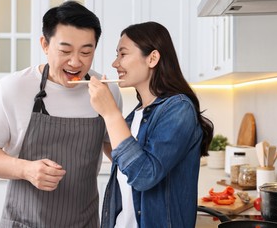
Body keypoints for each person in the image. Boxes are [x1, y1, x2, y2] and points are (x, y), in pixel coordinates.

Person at [0, 0, 122, 228]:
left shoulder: (106, 90)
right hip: (25, 222)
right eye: (65, 51)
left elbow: (117, 150)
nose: (75, 62)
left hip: (85, 222)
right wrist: (26, 169)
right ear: (45, 45)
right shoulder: (13, 87)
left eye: (86, 52)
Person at [88, 21, 214, 228]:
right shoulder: (135, 115)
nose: (115, 63)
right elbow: (128, 165)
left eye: (123, 54)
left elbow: (144, 176)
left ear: (152, 58)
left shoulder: (178, 108)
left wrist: (110, 113)